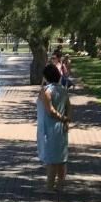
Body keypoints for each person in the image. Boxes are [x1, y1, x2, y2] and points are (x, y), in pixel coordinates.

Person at [37, 63, 70, 191]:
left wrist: (63, 118)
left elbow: (50, 110)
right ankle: (61, 186)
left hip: (49, 128)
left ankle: (49, 187)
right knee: (61, 159)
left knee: (51, 160)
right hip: (61, 128)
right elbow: (69, 107)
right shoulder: (63, 89)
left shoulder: (46, 91)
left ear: (46, 77)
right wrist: (66, 121)